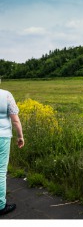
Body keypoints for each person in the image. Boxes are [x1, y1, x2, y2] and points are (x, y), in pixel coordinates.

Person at [0, 88, 24, 216]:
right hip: (2, 137)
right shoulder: (6, 95)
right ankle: (0, 206)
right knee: (1, 171)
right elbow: (15, 120)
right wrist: (20, 136)